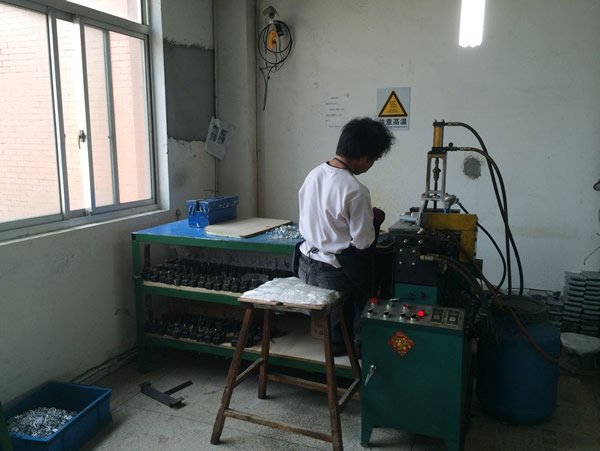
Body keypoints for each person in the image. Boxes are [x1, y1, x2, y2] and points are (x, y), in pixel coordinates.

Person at [297, 117, 395, 357]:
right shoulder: (356, 190)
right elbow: (363, 243)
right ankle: (361, 344)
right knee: (370, 274)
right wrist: (375, 220)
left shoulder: (314, 174)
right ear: (362, 156)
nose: (370, 166)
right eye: (373, 160)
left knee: (347, 263)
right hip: (330, 276)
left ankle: (337, 339)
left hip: (304, 265)